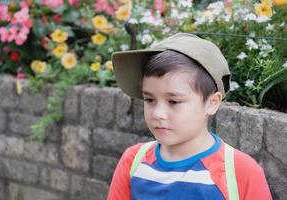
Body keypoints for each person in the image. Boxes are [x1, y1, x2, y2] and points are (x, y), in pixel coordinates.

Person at [107, 33, 272, 200]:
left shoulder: (240, 172)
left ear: (212, 103)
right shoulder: (134, 161)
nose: (158, 114)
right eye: (149, 99)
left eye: (174, 101)